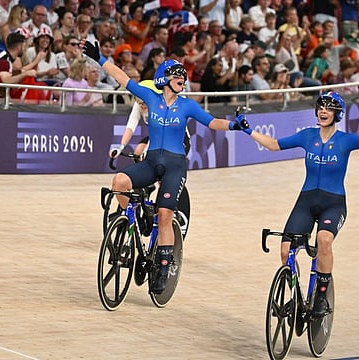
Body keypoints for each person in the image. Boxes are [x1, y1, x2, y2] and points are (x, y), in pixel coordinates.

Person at [82, 40, 250, 294]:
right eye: (177, 76)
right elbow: (124, 79)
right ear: (164, 79)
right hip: (151, 162)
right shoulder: (150, 97)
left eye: (184, 76)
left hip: (174, 166)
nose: (182, 79)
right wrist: (101, 60)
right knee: (119, 182)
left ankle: (162, 264)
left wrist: (234, 125)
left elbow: (212, 122)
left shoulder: (187, 105)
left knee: (164, 215)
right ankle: (134, 221)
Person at [236, 91, 359, 317]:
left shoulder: (345, 140)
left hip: (333, 203)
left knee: (323, 240)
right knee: (286, 249)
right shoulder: (307, 136)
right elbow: (274, 145)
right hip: (307, 201)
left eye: (328, 108)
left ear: (337, 114)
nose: (323, 111)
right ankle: (296, 296)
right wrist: (248, 130)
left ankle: (321, 297)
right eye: (320, 107)